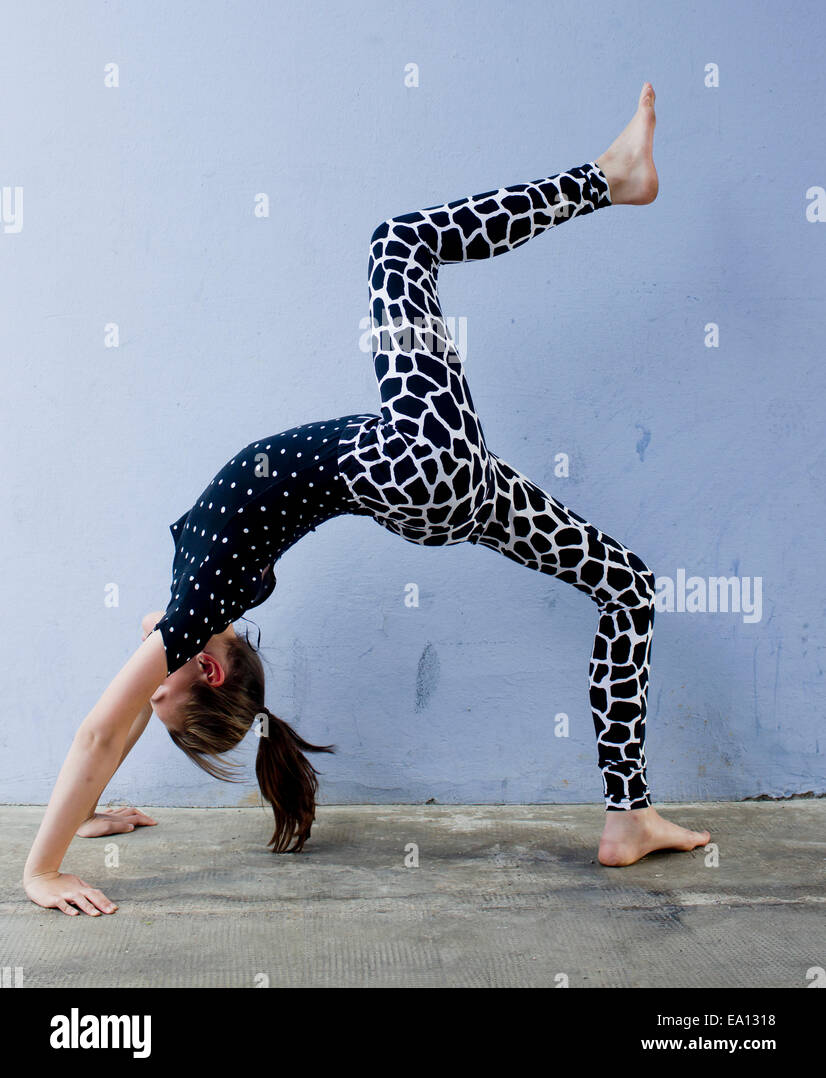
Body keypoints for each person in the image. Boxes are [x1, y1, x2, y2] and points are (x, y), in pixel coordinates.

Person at [23, 83, 709, 916]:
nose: (145, 692)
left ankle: (629, 815)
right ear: (202, 667)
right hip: (412, 462)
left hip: (430, 487)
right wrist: (42, 867)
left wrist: (84, 815)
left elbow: (121, 719)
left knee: (626, 585)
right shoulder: (206, 597)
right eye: (165, 698)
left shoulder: (196, 607)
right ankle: (612, 178)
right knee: (399, 242)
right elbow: (107, 728)